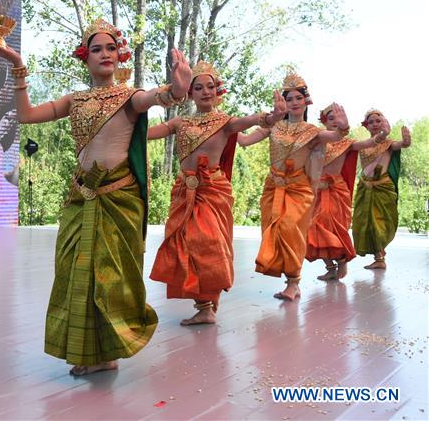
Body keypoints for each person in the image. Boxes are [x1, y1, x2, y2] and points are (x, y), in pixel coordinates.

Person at [0, 18, 191, 376]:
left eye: (112, 48)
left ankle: (108, 351)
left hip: (117, 198)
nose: (106, 54)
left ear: (119, 54)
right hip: (81, 197)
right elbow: (26, 115)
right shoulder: (74, 100)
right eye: (97, 49)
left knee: (110, 277)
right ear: (85, 57)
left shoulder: (128, 97)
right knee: (76, 273)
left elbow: (155, 97)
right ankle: (89, 351)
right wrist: (18, 67)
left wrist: (176, 89)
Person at [147, 61, 286, 325]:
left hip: (211, 190)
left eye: (210, 86)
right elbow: (146, 133)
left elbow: (253, 120)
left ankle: (209, 303)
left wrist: (273, 117)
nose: (205, 92)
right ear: (189, 92)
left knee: (209, 244)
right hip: (183, 191)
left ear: (217, 90)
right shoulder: (180, 122)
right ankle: (204, 306)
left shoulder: (225, 122)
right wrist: (126, 120)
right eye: (198, 87)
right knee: (184, 246)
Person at [237, 71, 350, 301]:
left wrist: (343, 128)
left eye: (299, 98)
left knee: (291, 229)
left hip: (299, 189)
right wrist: (228, 126)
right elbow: (244, 140)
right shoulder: (273, 126)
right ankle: (289, 279)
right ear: (283, 103)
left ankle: (294, 282)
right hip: (273, 187)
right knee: (274, 232)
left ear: (306, 101)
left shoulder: (313, 132)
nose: (294, 103)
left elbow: (336, 137)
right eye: (289, 99)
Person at [305, 104, 380, 281]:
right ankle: (330, 267)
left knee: (331, 225)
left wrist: (382, 134)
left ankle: (342, 258)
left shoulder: (347, 143)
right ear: (324, 122)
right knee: (312, 228)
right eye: (331, 119)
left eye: (338, 119)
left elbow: (368, 143)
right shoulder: (316, 140)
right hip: (316, 190)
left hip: (337, 191)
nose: (335, 122)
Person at [352, 109, 411, 270]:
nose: (374, 124)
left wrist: (406, 140)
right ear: (366, 126)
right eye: (370, 122)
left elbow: (402, 145)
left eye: (378, 121)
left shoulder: (389, 143)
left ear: (383, 122)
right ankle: (379, 257)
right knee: (364, 223)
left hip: (383, 187)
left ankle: (380, 256)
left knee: (381, 222)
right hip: (365, 187)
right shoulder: (364, 145)